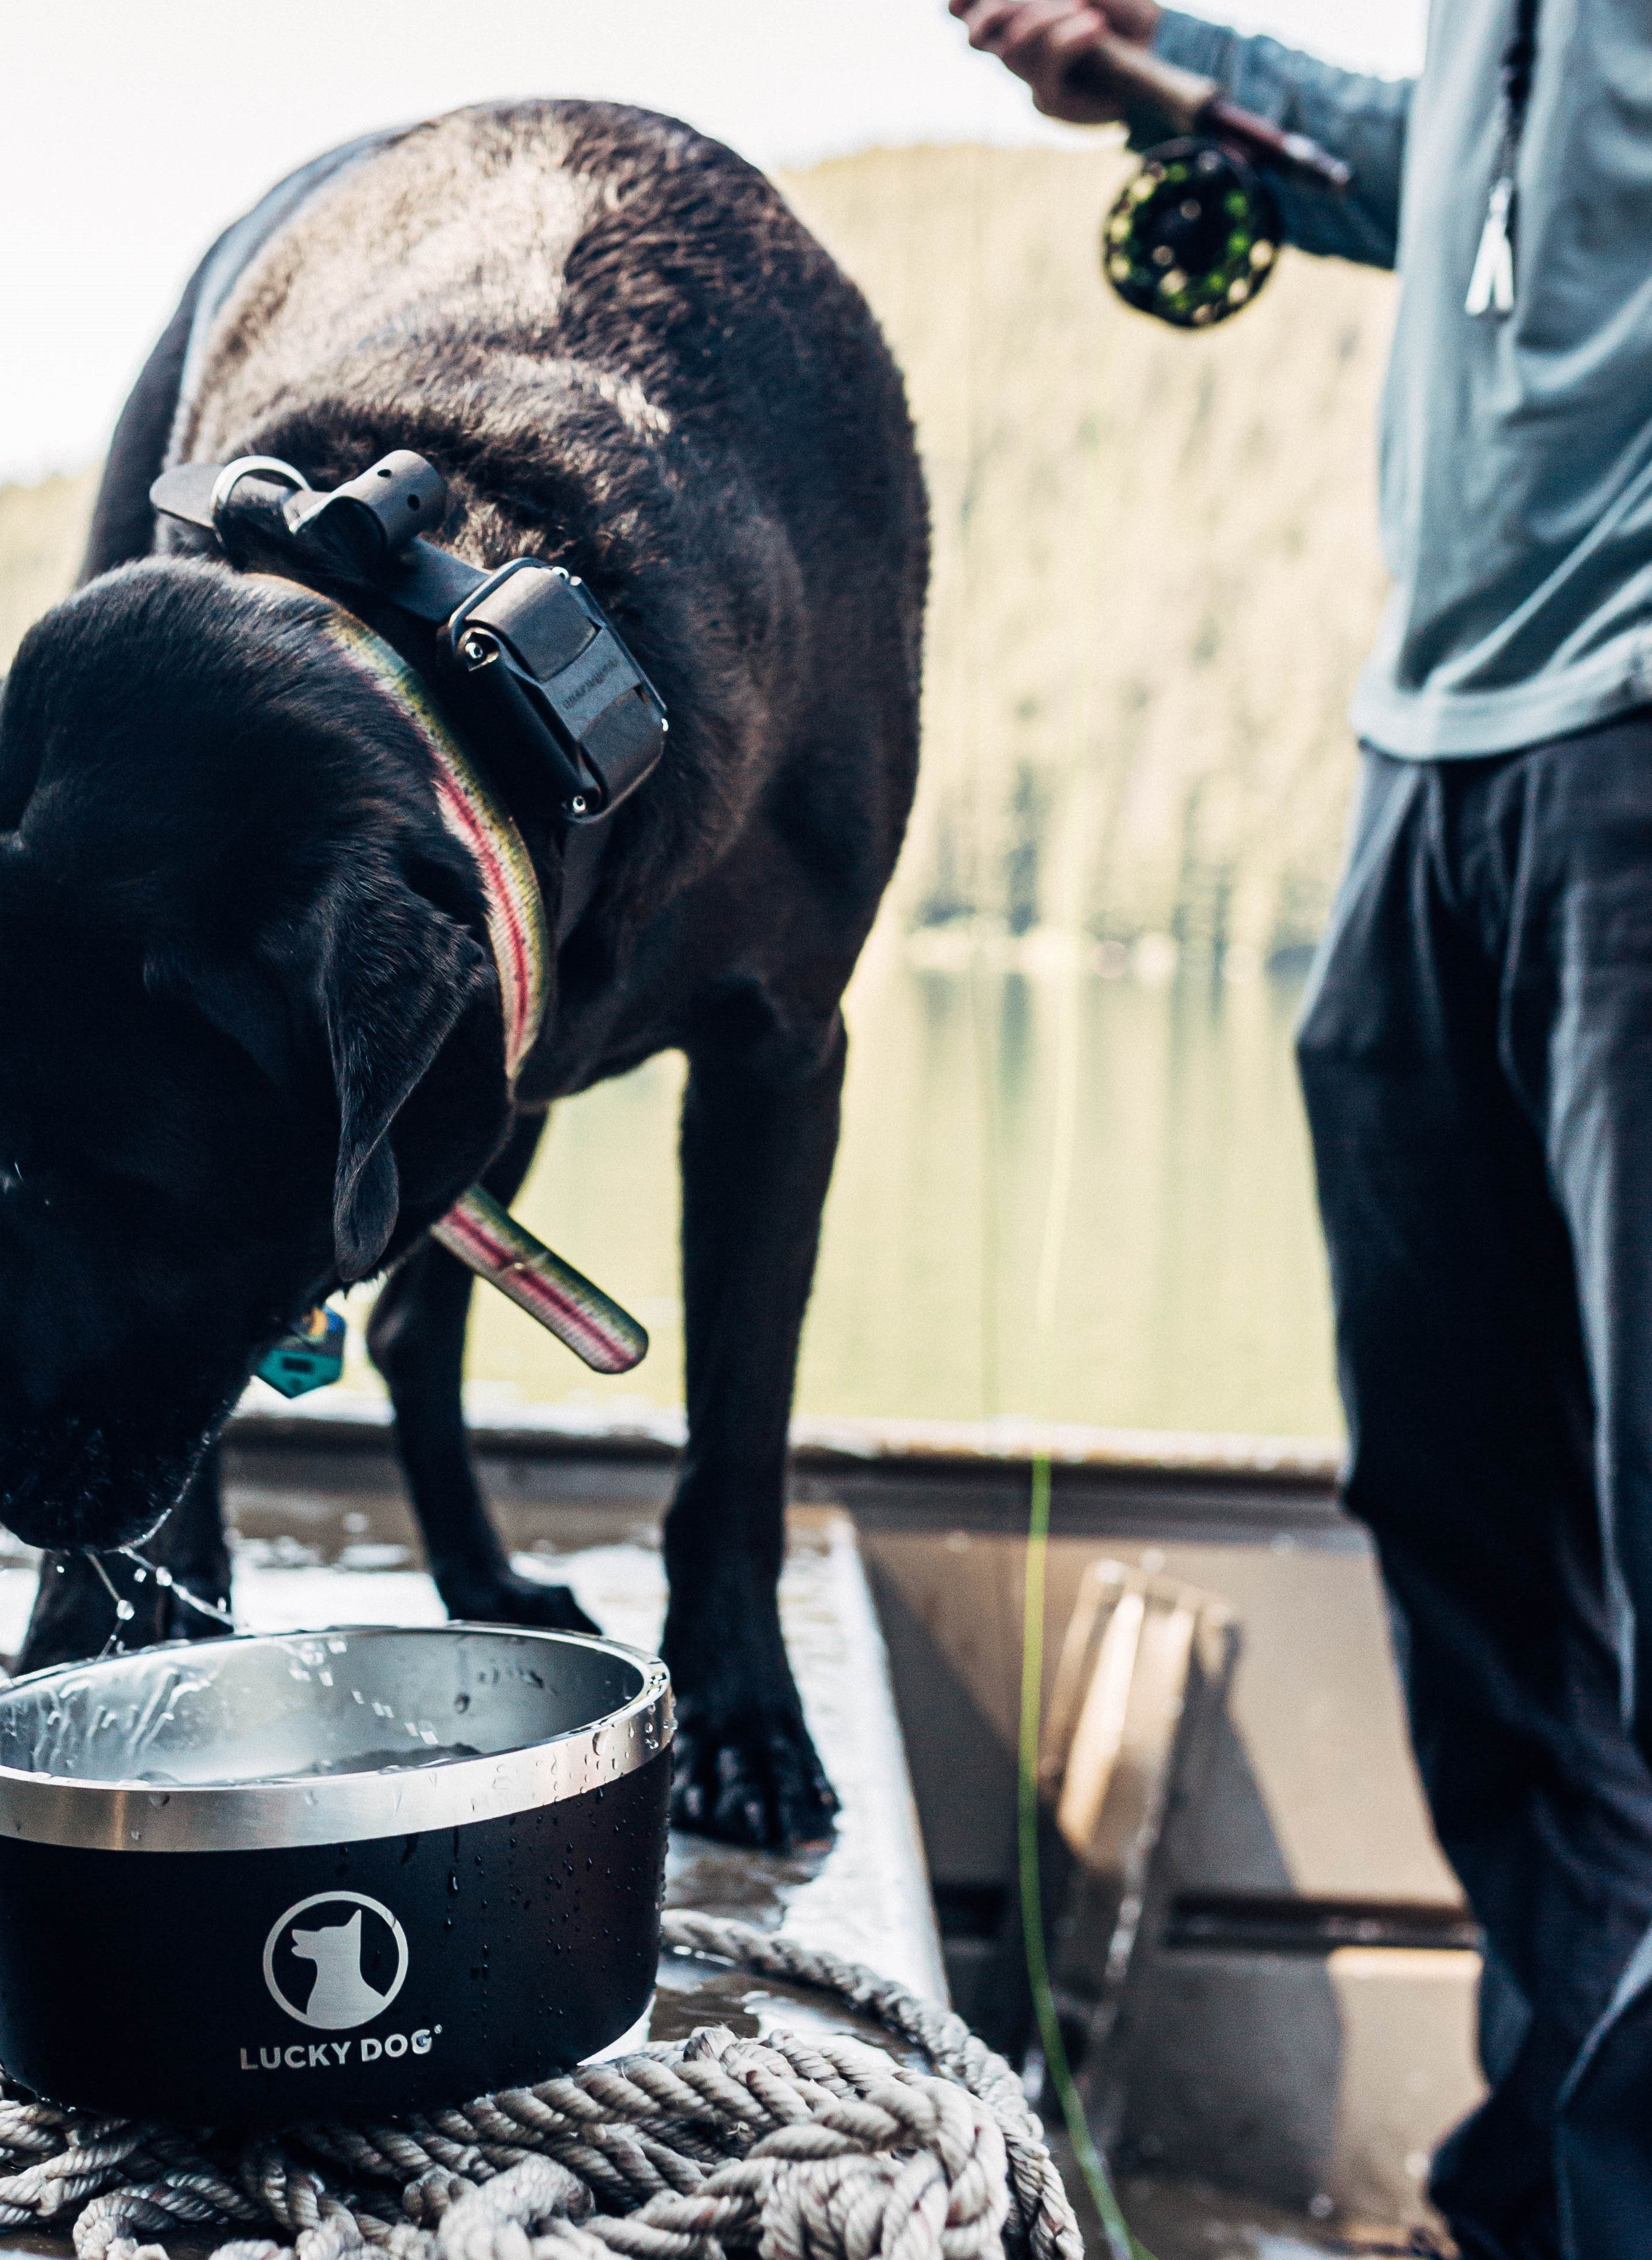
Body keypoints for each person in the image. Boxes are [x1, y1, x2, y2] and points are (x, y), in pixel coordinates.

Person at [952, 3, 1652, 2254]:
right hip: (1430, 759)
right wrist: (1164, 62)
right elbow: (1468, 184)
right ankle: (1555, 2173)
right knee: (1472, 1550)